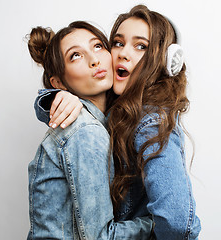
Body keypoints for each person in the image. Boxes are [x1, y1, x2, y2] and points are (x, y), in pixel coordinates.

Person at [34, 5, 201, 240]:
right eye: (118, 43)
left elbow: (176, 223)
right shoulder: (109, 116)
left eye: (141, 46)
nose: (123, 53)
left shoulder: (150, 121)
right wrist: (55, 98)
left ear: (164, 60)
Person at [27, 21, 153, 239]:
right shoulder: (85, 130)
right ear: (59, 83)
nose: (94, 60)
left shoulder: (107, 121)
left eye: (97, 46)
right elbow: (100, 237)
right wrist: (159, 223)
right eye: (75, 55)